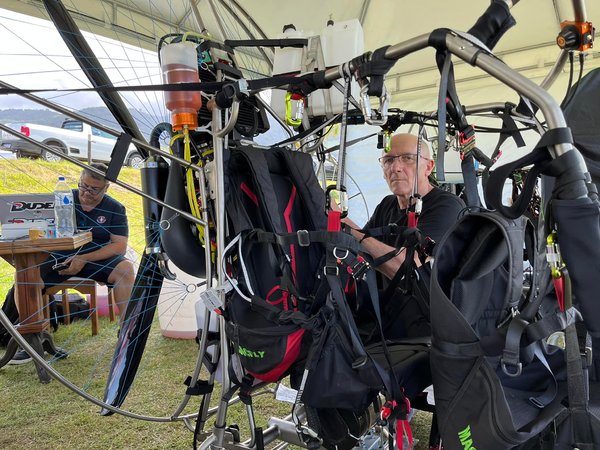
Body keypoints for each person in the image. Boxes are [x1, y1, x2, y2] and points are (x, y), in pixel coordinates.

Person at [8, 163, 136, 364]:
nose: (87, 193)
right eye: (84, 186)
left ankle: (128, 333)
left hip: (96, 256)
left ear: (106, 188)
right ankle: (31, 338)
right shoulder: (62, 199)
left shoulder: (114, 208)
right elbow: (40, 229)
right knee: (25, 275)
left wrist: (84, 258)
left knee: (126, 269)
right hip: (60, 255)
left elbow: (119, 246)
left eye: (94, 190)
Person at [338, 132, 465, 281]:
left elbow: (405, 269)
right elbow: (361, 250)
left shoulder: (447, 207)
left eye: (408, 158)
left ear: (428, 167)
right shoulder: (386, 205)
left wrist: (344, 222)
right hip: (389, 303)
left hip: (427, 303)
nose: (395, 168)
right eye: (388, 160)